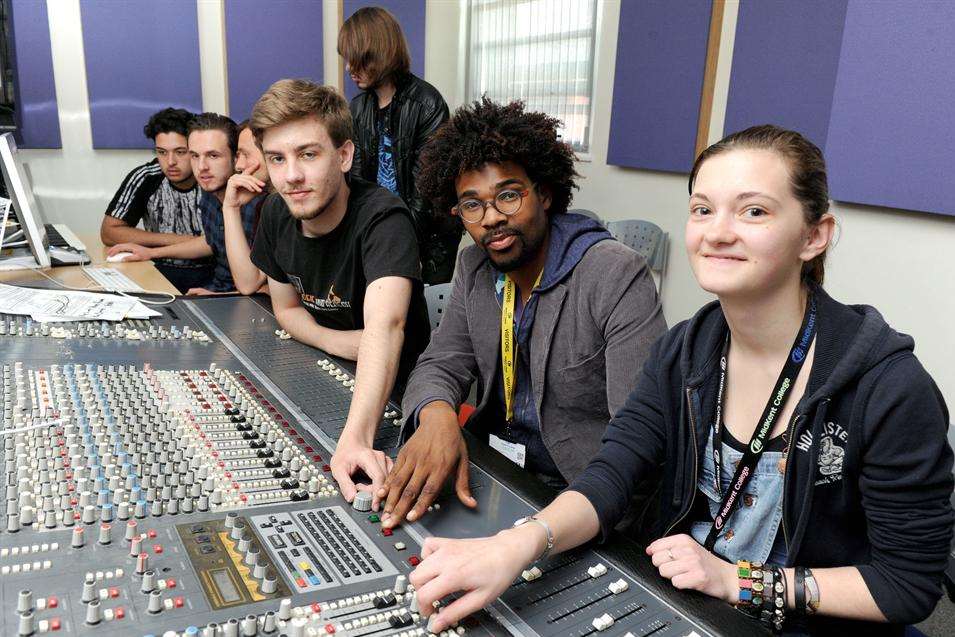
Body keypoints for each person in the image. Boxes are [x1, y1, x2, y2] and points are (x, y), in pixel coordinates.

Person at [408, 125, 954, 635]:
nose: (718, 232)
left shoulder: (889, 388)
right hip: (691, 600)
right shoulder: (685, 351)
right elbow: (613, 474)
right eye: (702, 209)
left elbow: (907, 586)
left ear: (815, 236)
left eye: (754, 211)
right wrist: (514, 548)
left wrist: (735, 580)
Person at [377, 99, 666, 530]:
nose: (491, 218)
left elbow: (639, 439)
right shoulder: (473, 266)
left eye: (508, 196)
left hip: (579, 491)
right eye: (472, 205)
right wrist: (437, 416)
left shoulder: (614, 274)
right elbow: (441, 362)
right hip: (495, 467)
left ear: (545, 194)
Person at [247, 79, 431, 507]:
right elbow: (286, 308)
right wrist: (338, 341)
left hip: (395, 394)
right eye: (276, 159)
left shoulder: (384, 219)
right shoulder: (277, 211)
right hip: (324, 366)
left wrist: (354, 441)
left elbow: (385, 328)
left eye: (308, 154)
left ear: (344, 155)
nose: (291, 176)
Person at [339, 6, 461, 284]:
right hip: (377, 232)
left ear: (379, 53)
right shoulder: (357, 109)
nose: (349, 68)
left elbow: (427, 193)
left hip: (428, 240)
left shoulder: (427, 103)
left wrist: (396, 244)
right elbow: (357, 183)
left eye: (356, 59)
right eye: (347, 59)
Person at [107, 113, 262, 296]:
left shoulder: (261, 203)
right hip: (216, 290)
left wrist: (222, 297)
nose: (201, 167)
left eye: (213, 155)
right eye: (195, 156)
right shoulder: (210, 189)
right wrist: (150, 253)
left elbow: (272, 286)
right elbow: (212, 241)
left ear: (236, 158)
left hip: (240, 300)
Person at [100, 107, 214, 293]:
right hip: (156, 270)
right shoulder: (146, 176)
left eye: (180, 152)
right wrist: (179, 240)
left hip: (211, 275)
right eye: (162, 152)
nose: (170, 162)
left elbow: (217, 243)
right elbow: (108, 232)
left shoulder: (212, 177)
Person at [221, 120, 270, 295]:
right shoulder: (268, 206)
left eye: (246, 154)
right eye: (238, 155)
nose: (239, 166)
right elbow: (248, 284)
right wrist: (230, 208)